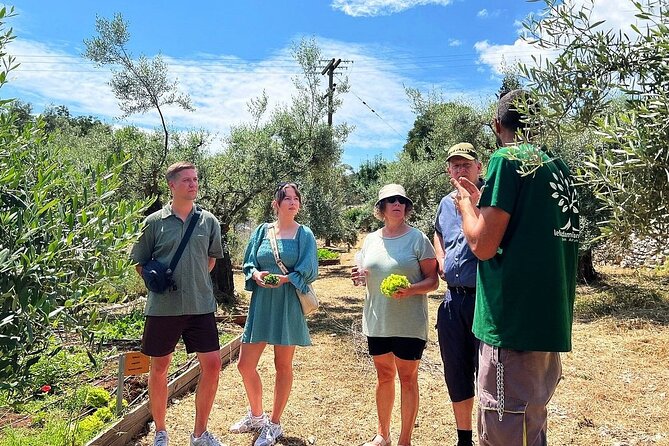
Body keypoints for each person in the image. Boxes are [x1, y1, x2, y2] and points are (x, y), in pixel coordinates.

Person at [451, 90, 579, 446]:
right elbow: (525, 230)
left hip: (511, 330)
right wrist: (483, 204)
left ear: (497, 126)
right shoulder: (559, 169)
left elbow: (482, 244)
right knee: (531, 428)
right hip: (545, 325)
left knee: (506, 433)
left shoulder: (508, 159)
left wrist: (464, 204)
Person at [131, 161, 224, 446]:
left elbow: (210, 260)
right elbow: (139, 262)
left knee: (213, 365)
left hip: (200, 306)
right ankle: (161, 431)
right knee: (159, 368)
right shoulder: (154, 222)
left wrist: (192, 281)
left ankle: (199, 434)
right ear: (172, 185)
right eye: (186, 180)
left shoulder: (209, 221)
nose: (193, 184)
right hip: (163, 308)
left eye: (195, 180)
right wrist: (155, 277)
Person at [230, 182, 318, 446]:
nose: (292, 202)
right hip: (261, 303)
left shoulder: (305, 235)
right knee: (245, 365)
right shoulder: (261, 231)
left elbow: (310, 269)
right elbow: (248, 263)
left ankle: (275, 424)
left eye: (296, 198)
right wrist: (255, 274)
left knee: (283, 366)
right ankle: (257, 416)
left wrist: (285, 279)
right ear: (276, 204)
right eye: (286, 198)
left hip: (288, 303)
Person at [351, 184, 439, 446]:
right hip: (378, 320)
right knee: (384, 376)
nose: (397, 204)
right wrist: (358, 278)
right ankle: (383, 435)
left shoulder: (417, 239)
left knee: (408, 378)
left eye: (401, 200)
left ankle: (405, 440)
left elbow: (433, 280)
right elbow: (364, 274)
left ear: (406, 207)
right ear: (382, 208)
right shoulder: (370, 240)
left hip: (409, 323)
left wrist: (411, 289)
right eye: (391, 201)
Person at [433, 143, 483, 446]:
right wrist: (440, 257)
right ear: (448, 170)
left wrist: (472, 204)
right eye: (455, 165)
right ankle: (464, 439)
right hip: (453, 301)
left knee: (489, 374)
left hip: (484, 300)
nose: (461, 169)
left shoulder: (490, 199)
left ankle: (491, 435)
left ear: (479, 167)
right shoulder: (444, 203)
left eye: (466, 164)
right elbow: (438, 231)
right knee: (456, 371)